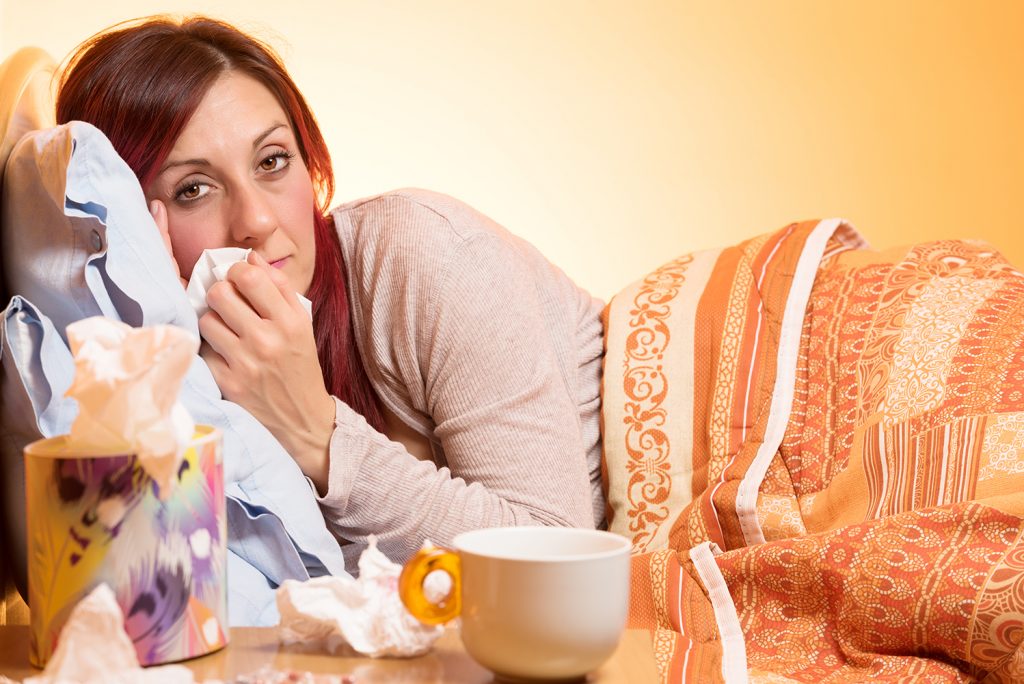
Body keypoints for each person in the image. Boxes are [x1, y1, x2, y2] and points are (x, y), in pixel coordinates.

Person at [55, 15, 606, 572]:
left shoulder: (421, 249)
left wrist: (315, 432)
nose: (257, 219)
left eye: (272, 161)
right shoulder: (155, 367)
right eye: (193, 189)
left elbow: (557, 555)